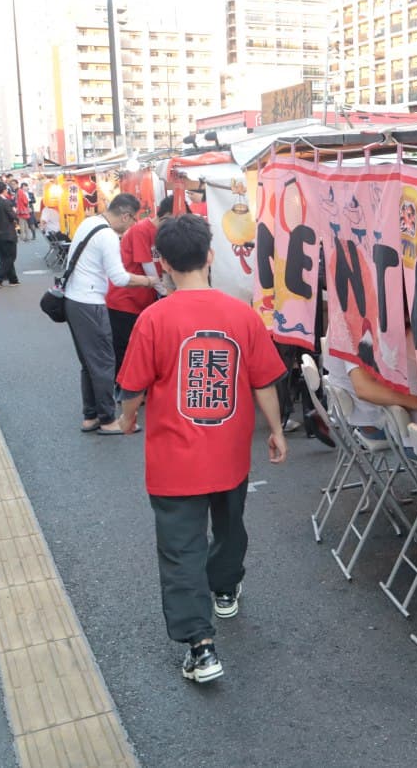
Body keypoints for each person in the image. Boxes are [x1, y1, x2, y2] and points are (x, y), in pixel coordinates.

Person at [117, 214, 286, 684]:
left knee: (180, 549)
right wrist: (276, 430)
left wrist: (129, 418)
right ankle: (225, 590)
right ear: (211, 256)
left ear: (164, 263)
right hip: (230, 455)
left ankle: (201, 646)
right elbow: (264, 380)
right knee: (230, 526)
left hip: (174, 463)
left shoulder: (154, 318)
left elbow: (133, 387)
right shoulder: (241, 314)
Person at [63, 193, 159, 434]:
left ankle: (91, 416)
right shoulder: (107, 235)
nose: (132, 226)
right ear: (125, 215)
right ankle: (107, 420)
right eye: (132, 220)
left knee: (89, 362)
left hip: (73, 300)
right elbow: (120, 277)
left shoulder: (89, 222)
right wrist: (151, 281)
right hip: (90, 303)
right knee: (104, 361)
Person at [106, 195, 173, 381]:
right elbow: (147, 265)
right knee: (125, 347)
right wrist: (164, 291)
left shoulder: (161, 233)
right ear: (167, 216)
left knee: (139, 346)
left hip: (143, 297)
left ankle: (136, 385)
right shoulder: (141, 230)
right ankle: (124, 388)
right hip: (124, 298)